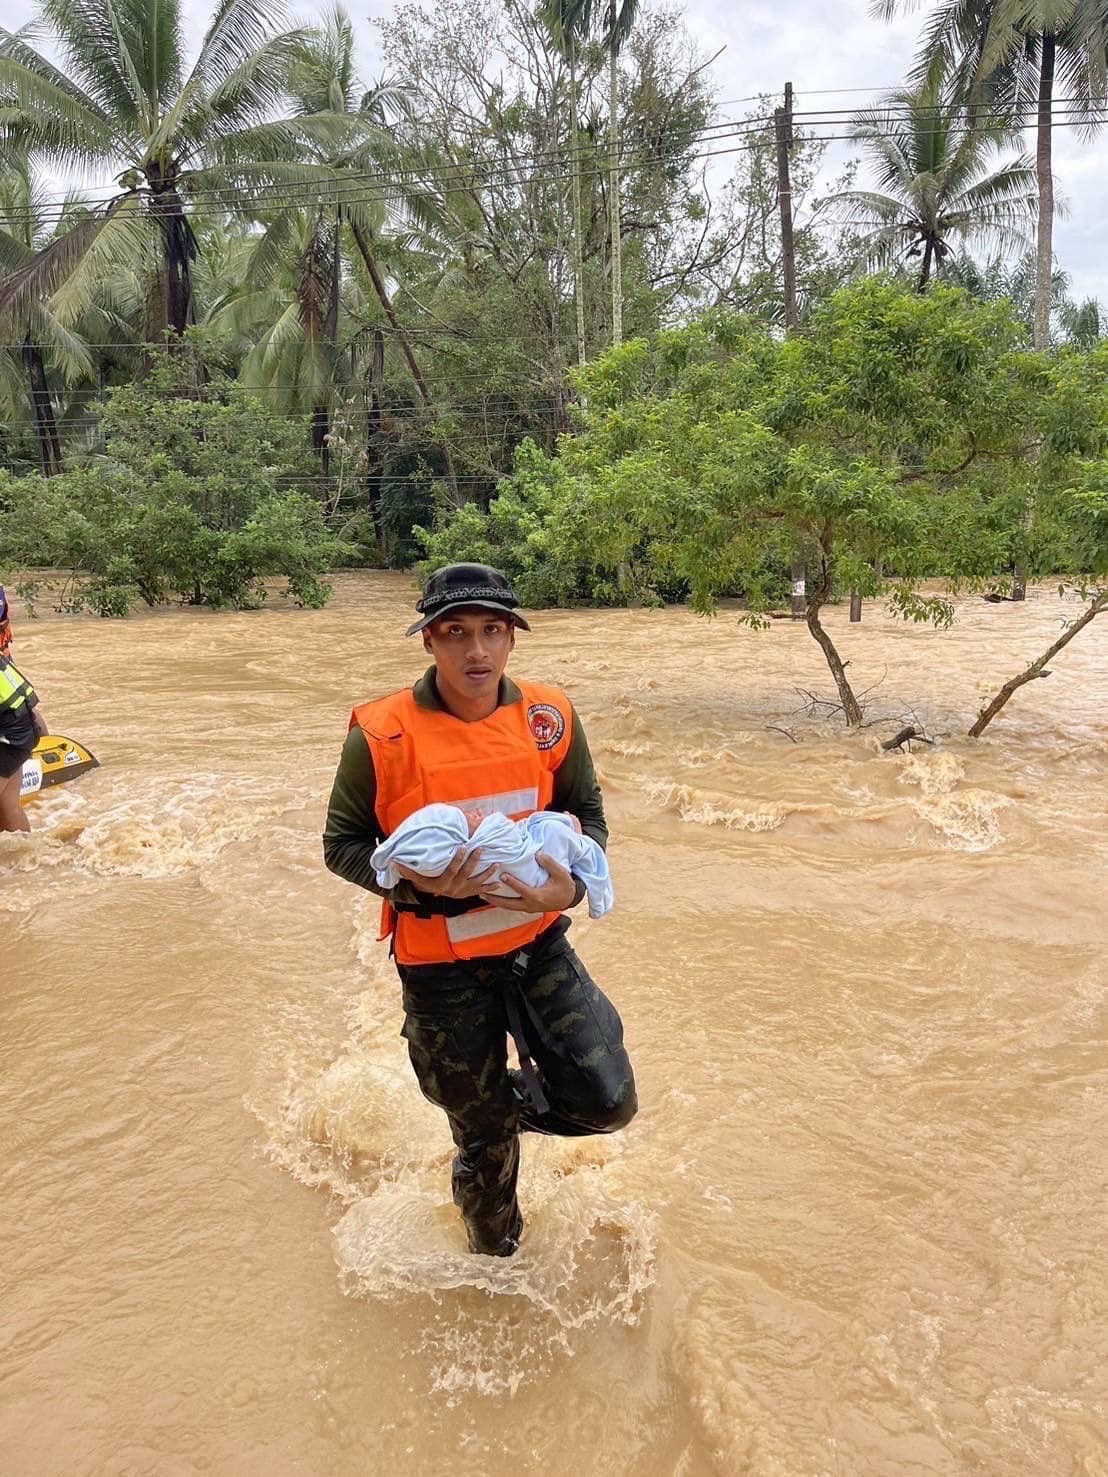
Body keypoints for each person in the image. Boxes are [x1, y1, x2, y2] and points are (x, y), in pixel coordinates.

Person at [323, 562, 637, 1257]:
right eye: (456, 632)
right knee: (483, 1147)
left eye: (492, 631)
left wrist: (570, 892)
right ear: (429, 640)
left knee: (608, 1099)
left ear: (511, 639)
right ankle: (495, 1271)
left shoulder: (548, 718)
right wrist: (415, 891)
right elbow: (341, 845)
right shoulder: (381, 734)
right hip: (440, 969)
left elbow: (585, 816)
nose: (476, 651)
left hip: (535, 945)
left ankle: (496, 1110)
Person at [0, 650, 48, 833]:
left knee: (8, 807)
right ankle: (26, 858)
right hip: (21, 728)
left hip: (9, 736)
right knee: (7, 807)